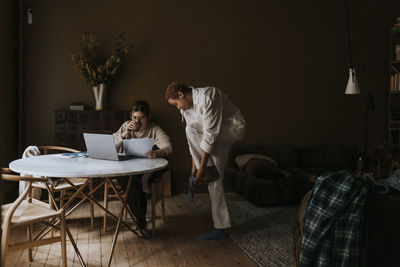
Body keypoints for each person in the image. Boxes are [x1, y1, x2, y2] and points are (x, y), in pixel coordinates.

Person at [165, 82, 246, 240]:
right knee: (216, 178)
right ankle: (221, 227)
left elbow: (209, 134)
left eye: (176, 103)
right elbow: (193, 140)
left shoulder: (209, 96)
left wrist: (202, 168)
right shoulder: (186, 108)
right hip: (214, 134)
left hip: (232, 127)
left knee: (209, 168)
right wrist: (194, 166)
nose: (177, 107)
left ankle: (208, 169)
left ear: (181, 94)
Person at [113, 100, 172, 238]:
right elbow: (112, 147)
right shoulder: (125, 126)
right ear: (130, 116)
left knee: (135, 182)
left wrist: (157, 153)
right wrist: (124, 134)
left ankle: (140, 222)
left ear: (148, 116)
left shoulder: (154, 128)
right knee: (128, 179)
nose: (137, 121)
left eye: (141, 118)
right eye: (134, 117)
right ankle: (141, 221)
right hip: (129, 166)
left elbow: (169, 146)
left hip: (146, 166)